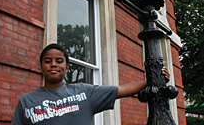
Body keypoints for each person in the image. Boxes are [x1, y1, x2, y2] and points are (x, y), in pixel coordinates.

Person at [11, 43, 170, 125]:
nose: (53, 64)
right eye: (47, 61)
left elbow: (120, 90)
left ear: (66, 68)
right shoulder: (26, 101)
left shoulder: (83, 92)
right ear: (40, 67)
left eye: (59, 61)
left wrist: (152, 80)